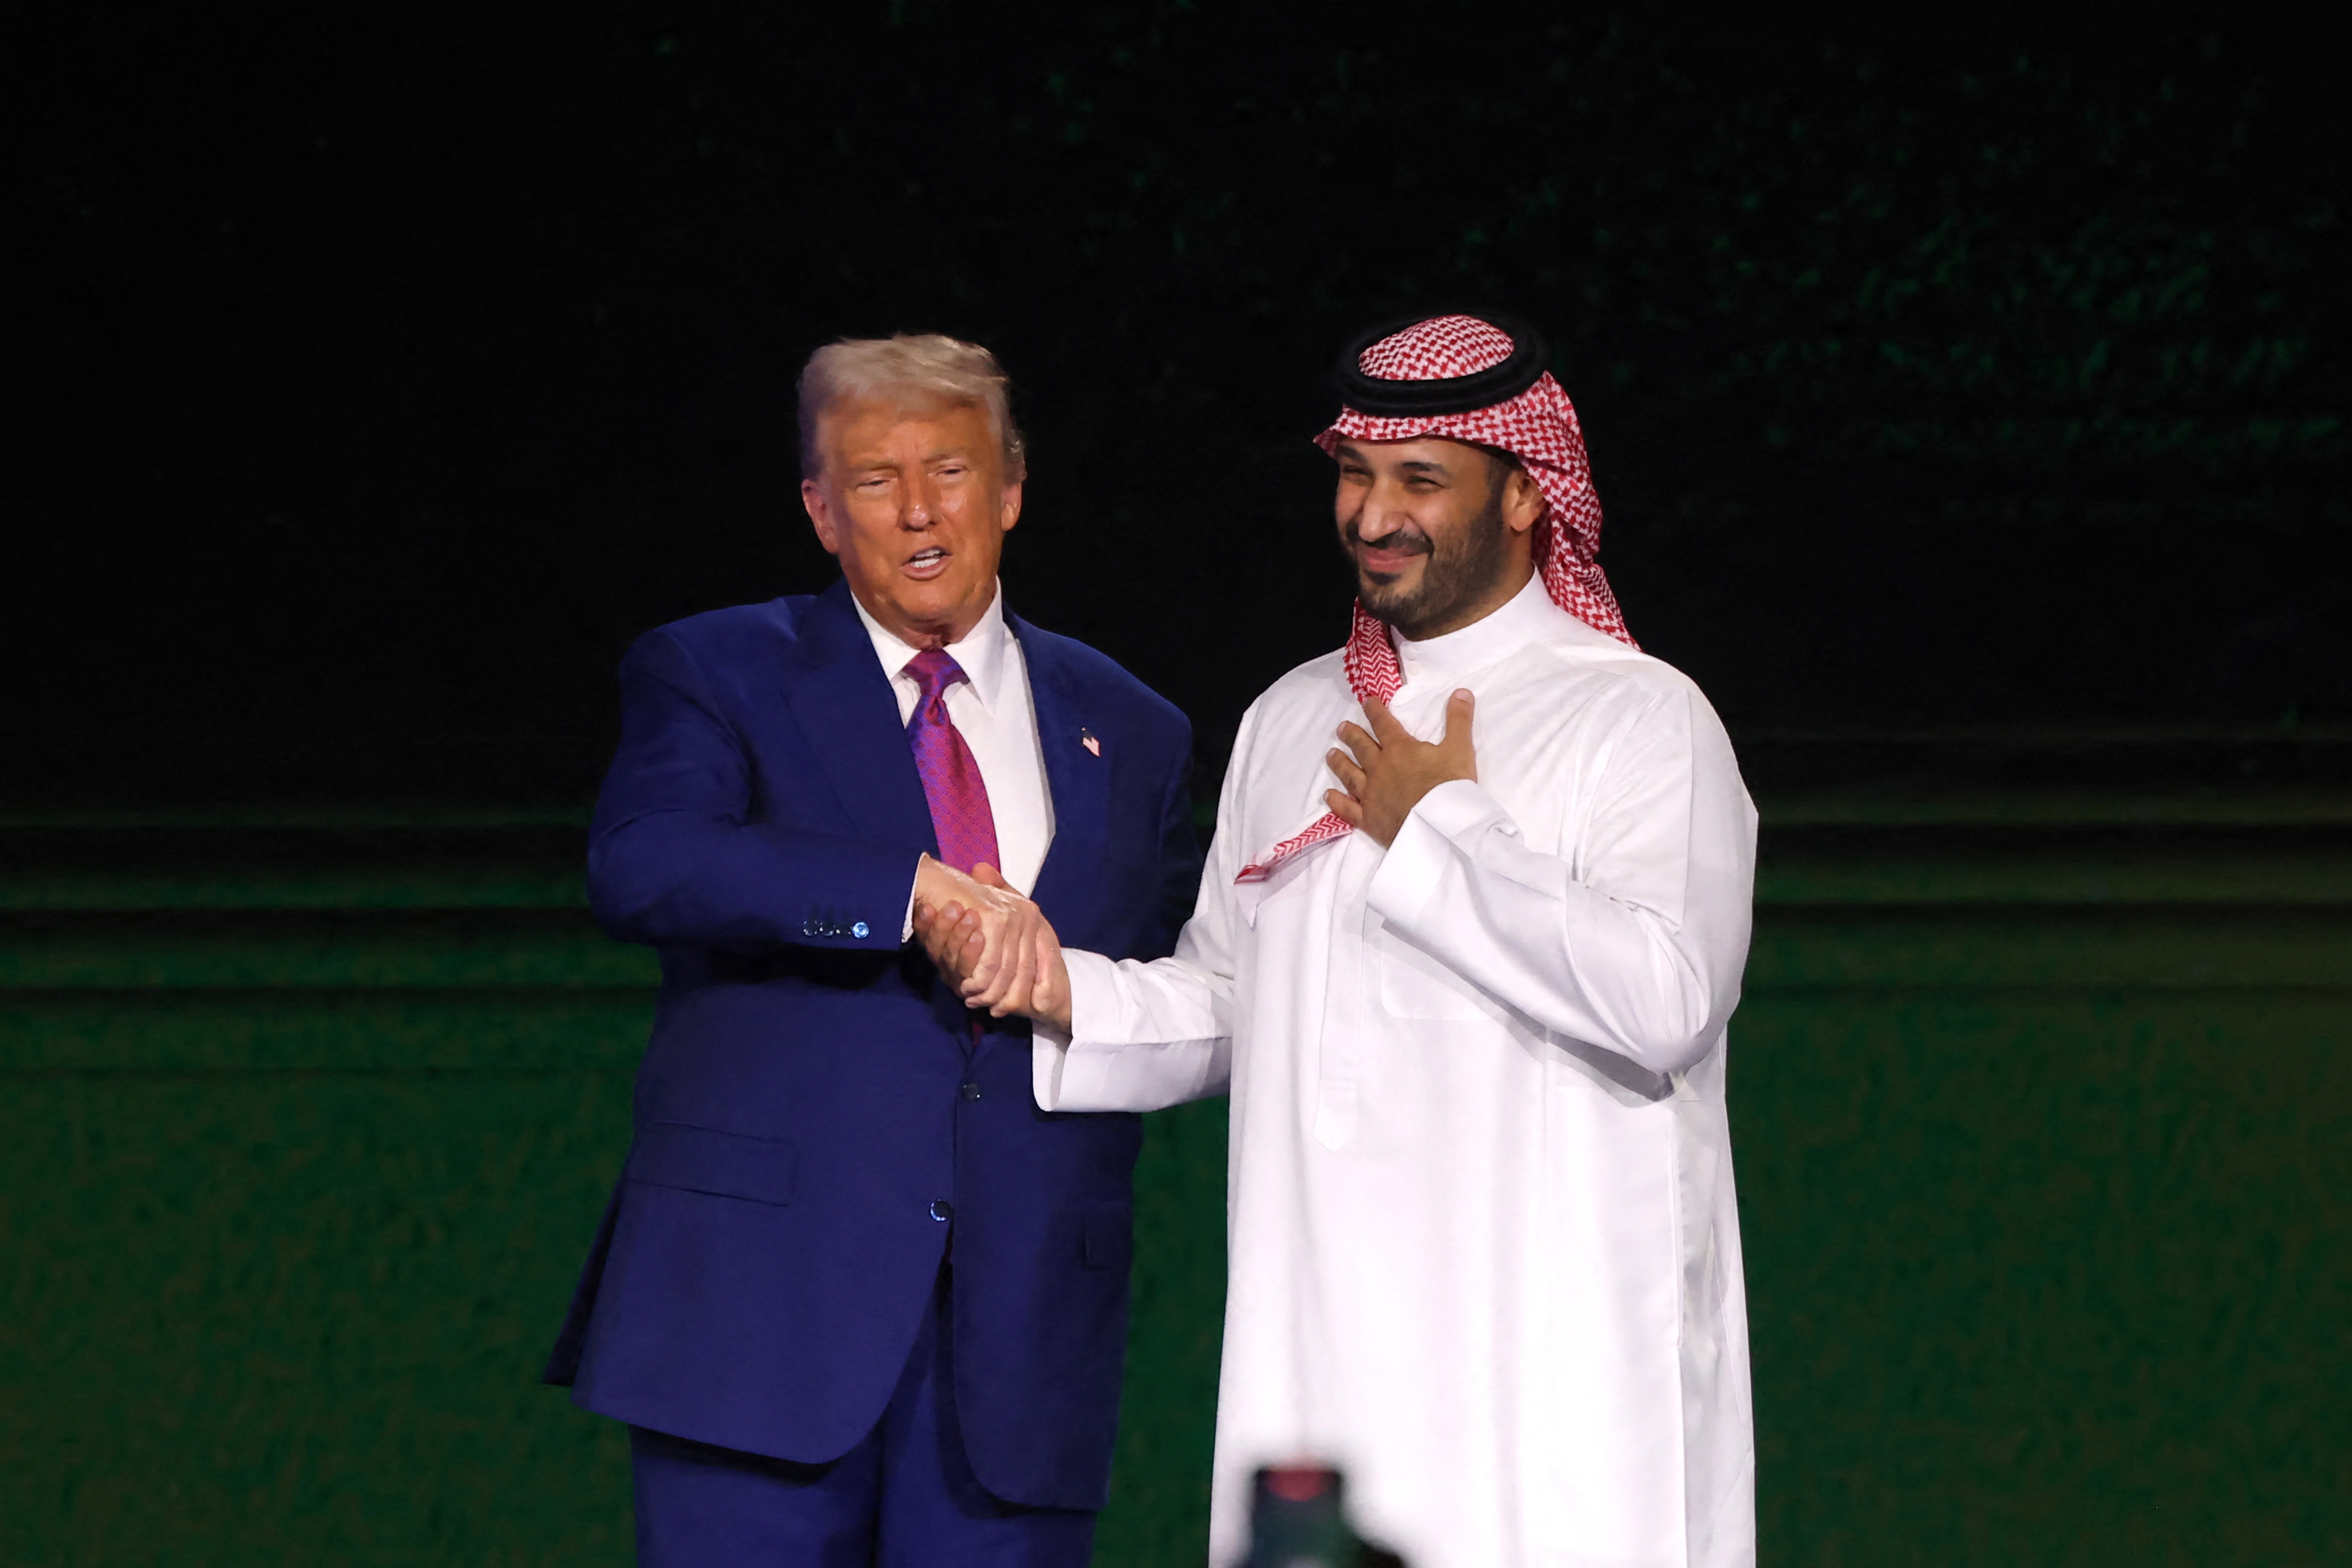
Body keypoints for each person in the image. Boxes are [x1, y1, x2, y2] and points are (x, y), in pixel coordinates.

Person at [923, 314, 1759, 1568]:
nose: (1372, 514)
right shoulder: (1292, 715)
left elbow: (1667, 999)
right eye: (1354, 475)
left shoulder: (1638, 717)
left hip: (1548, 1363)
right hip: (1324, 1339)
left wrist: (1440, 825)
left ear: (1527, 492)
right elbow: (1230, 996)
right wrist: (1058, 989)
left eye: (1419, 480)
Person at [543, 332, 1203, 1566]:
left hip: (1018, 1347)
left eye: (949, 471)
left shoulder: (1133, 723)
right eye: (871, 479)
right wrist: (903, 891)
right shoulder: (717, 667)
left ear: (1008, 488)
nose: (917, 511)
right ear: (817, 510)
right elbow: (644, 858)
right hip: (759, 1321)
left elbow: (1165, 982)